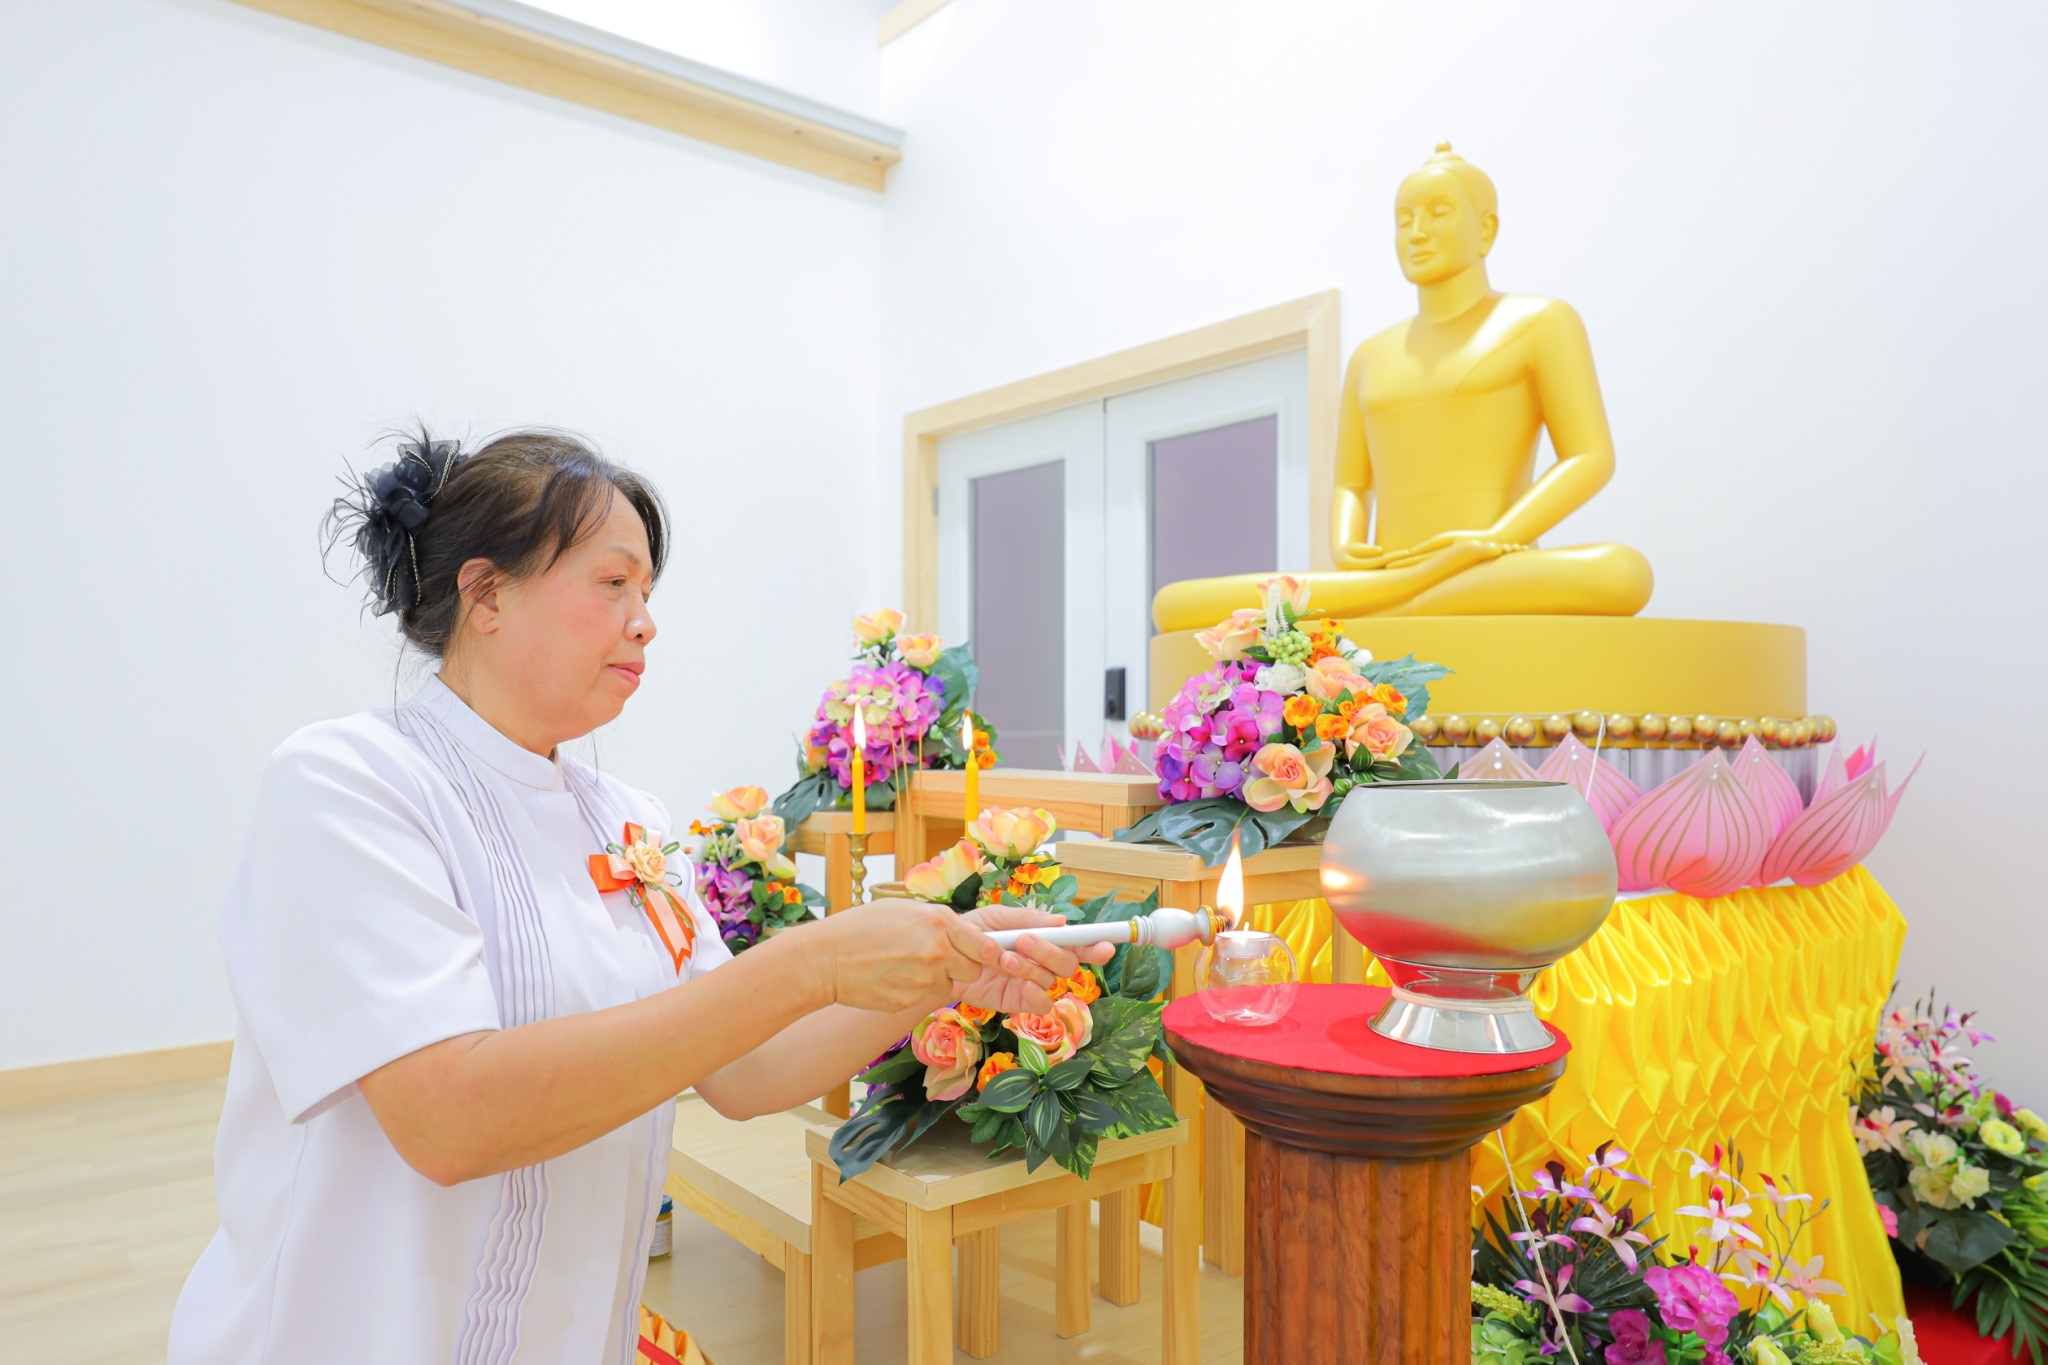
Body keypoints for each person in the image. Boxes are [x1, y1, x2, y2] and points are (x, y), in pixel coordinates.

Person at [167, 430, 1105, 1364]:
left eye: (647, 593)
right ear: (486, 593)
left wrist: (942, 968)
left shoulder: (626, 819)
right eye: (612, 584)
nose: (644, 620)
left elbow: (744, 1067)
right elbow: (450, 1116)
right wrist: (815, 957)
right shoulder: (350, 780)